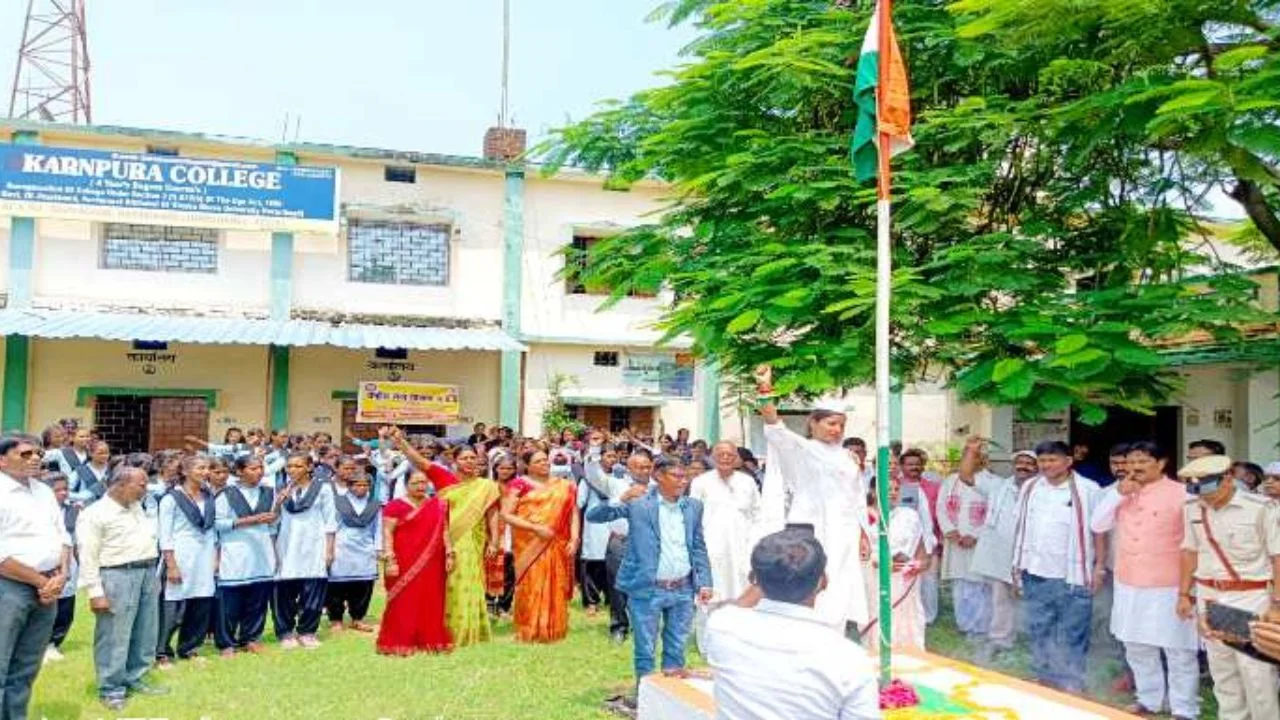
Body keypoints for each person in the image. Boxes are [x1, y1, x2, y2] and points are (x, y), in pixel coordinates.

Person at [705, 529, 879, 720]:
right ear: (824, 582)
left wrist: (764, 580)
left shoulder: (722, 627)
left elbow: (734, 607)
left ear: (755, 580)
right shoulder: (850, 659)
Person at [1090, 442, 1200, 719]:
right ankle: (1149, 700)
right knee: (1136, 645)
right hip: (1129, 582)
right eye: (1131, 461)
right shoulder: (1120, 492)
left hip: (1170, 584)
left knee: (1178, 649)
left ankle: (1184, 708)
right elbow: (1097, 525)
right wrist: (1118, 494)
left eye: (1142, 460)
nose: (1134, 467)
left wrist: (1189, 590)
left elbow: (1196, 542)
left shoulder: (1184, 494)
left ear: (1161, 464)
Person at [757, 366, 870, 631]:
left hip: (844, 534)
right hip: (814, 532)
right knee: (812, 586)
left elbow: (857, 500)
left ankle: (835, 640)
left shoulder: (848, 458)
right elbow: (775, 426)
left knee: (841, 589)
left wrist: (863, 533)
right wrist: (765, 389)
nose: (836, 430)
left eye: (841, 425)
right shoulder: (803, 450)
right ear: (813, 423)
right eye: (831, 424)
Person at [587, 457, 712, 689]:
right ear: (658, 477)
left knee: (676, 646)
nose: (683, 481)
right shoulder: (639, 504)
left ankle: (672, 696)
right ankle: (645, 696)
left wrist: (704, 582)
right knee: (645, 648)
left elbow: (698, 546)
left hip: (683, 589)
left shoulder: (693, 506)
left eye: (685, 477)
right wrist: (620, 498)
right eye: (676, 476)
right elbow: (594, 516)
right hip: (647, 589)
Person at [1177, 454, 1279, 720]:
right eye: (1197, 490)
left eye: (1209, 491)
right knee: (1223, 669)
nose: (1205, 498)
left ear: (1228, 479)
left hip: (1249, 595)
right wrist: (1184, 594)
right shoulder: (1192, 508)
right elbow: (1190, 551)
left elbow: (1277, 557)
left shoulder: (1261, 508)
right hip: (1210, 595)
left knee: (1256, 673)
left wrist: (1277, 604)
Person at [1010, 440, 1107, 693]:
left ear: (1068, 461)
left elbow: (1099, 531)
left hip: (1073, 575)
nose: (1046, 465)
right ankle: (1044, 678)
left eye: (1053, 459)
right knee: (1039, 628)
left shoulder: (1088, 490)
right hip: (1035, 572)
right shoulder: (1030, 487)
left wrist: (1099, 567)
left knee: (1072, 632)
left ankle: (1071, 681)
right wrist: (1018, 569)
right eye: (1042, 460)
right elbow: (1020, 527)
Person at [76, 465, 168, 712]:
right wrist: (95, 592)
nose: (145, 490)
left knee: (145, 630)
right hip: (117, 575)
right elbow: (87, 555)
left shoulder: (137, 507)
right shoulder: (96, 514)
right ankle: (111, 688)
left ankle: (134, 676)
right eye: (141, 485)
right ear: (120, 484)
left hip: (146, 572)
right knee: (114, 634)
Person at [0, 434, 70, 720]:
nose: (35, 459)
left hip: (49, 587)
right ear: (2, 459)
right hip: (10, 587)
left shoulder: (42, 491)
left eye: (37, 454)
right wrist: (42, 583)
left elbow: (61, 535)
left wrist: (61, 575)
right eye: (25, 454)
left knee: (28, 665)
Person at [960, 444, 1038, 655]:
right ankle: (1001, 639)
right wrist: (971, 450)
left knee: (1035, 599)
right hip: (1002, 554)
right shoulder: (998, 486)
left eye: (1030, 463)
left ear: (1038, 467)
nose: (1024, 466)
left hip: (1034, 555)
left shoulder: (1043, 490)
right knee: (1001, 598)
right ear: (1014, 465)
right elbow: (966, 476)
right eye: (1020, 462)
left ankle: (1037, 642)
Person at [501, 450, 580, 644]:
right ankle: (530, 628)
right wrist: (535, 528)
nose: (545, 463)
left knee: (555, 582)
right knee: (531, 584)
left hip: (557, 542)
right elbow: (507, 514)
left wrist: (575, 538)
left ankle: (553, 629)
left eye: (546, 459)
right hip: (530, 543)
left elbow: (573, 513)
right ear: (527, 465)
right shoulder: (519, 484)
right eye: (539, 461)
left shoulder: (564, 485)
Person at [688, 441, 759, 653]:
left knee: (741, 594)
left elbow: (757, 514)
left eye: (730, 454)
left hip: (741, 549)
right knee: (710, 596)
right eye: (721, 454)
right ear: (712, 456)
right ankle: (707, 645)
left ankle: (738, 644)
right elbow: (693, 516)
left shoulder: (747, 482)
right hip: (710, 549)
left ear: (737, 457)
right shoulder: (701, 482)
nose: (725, 458)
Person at [377, 469, 454, 656]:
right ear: (405, 484)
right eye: (415, 483)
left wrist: (450, 553)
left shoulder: (438, 504)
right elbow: (387, 532)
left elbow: (444, 530)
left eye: (424, 482)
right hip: (404, 559)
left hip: (433, 559)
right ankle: (401, 639)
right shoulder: (395, 506)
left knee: (432, 597)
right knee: (404, 598)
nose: (421, 486)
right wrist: (390, 557)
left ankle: (430, 638)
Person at [584, 441, 654, 643]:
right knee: (618, 586)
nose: (643, 471)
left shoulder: (659, 488)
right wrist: (622, 498)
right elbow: (593, 474)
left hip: (650, 543)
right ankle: (619, 626)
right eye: (639, 467)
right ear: (628, 468)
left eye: (647, 466)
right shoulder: (616, 484)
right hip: (621, 542)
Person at [156, 455, 218, 667]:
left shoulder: (208, 496)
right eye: (200, 468)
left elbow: (212, 530)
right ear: (185, 472)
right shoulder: (171, 499)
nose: (205, 472)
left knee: (200, 603)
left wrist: (215, 557)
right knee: (173, 607)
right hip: (181, 555)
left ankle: (190, 647)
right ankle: (162, 651)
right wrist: (171, 565)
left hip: (204, 555)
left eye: (207, 468)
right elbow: (165, 535)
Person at [437, 447, 501, 647]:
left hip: (473, 538)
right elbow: (441, 517)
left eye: (473, 458)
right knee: (449, 582)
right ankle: (446, 629)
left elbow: (492, 514)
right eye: (464, 458)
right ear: (454, 461)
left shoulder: (487, 486)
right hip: (449, 539)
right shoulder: (446, 486)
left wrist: (494, 540)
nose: (469, 462)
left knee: (471, 580)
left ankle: (468, 629)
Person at [214, 456, 277, 653]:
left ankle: (251, 638)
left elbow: (273, 526)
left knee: (258, 600)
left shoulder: (268, 492)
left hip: (262, 552)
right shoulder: (227, 494)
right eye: (252, 468)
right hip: (235, 552)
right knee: (230, 603)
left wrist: (275, 552)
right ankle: (227, 643)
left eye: (260, 468)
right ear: (239, 471)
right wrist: (250, 521)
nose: (258, 472)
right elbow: (217, 524)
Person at [274, 454, 337, 650]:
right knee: (284, 591)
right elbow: (272, 520)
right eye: (289, 466)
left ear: (309, 467)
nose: (292, 470)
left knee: (313, 590)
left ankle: (307, 631)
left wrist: (329, 549)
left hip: (314, 544)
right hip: (287, 544)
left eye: (298, 466)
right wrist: (277, 503)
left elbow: (330, 520)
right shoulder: (281, 490)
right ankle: (285, 631)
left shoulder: (323, 489)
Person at [860, 475, 929, 651]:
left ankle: (909, 656)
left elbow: (921, 548)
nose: (892, 493)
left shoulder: (909, 515)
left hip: (905, 578)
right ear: (874, 492)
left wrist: (920, 563)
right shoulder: (864, 516)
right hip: (876, 576)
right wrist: (879, 562)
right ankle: (878, 656)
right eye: (887, 489)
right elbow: (860, 551)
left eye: (896, 489)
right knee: (881, 616)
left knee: (908, 619)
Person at [937, 451, 992, 643]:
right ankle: (963, 624)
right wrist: (949, 530)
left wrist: (976, 536)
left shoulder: (991, 482)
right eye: (967, 457)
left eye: (977, 457)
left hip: (980, 544)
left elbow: (994, 514)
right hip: (955, 541)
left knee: (979, 584)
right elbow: (941, 507)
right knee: (959, 584)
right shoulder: (951, 480)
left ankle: (980, 626)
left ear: (984, 460)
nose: (971, 461)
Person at [325, 472, 381, 634]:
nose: (361, 488)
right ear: (349, 486)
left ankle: (358, 618)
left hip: (365, 549)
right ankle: (336, 619)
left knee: (363, 586)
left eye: (365, 485)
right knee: (336, 587)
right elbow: (331, 525)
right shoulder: (337, 502)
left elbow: (378, 529)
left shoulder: (374, 505)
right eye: (357, 484)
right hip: (341, 547)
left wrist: (378, 548)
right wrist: (329, 549)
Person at [43, 473, 78, 664]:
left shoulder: (73, 511)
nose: (63, 493)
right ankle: (40, 644)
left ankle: (54, 643)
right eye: (57, 490)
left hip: (69, 564)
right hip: (45, 564)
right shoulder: (38, 511)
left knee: (66, 607)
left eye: (65, 489)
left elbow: (75, 540)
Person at [577, 445, 614, 616]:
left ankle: (611, 598)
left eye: (614, 456)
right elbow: (579, 503)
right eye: (608, 456)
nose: (611, 459)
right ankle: (591, 601)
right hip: (594, 526)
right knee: (592, 562)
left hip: (614, 524)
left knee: (612, 562)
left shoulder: (619, 478)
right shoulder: (588, 481)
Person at [486, 454, 518, 617]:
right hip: (494, 529)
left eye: (510, 468)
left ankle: (505, 605)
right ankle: (490, 602)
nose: (506, 471)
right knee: (491, 567)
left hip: (513, 530)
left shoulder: (518, 487)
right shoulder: (489, 487)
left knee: (510, 569)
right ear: (495, 469)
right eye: (502, 468)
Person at [69, 440, 111, 506]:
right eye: (100, 453)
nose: (104, 456)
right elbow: (67, 491)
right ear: (90, 453)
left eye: (106, 453)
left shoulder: (113, 470)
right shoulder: (80, 471)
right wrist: (81, 497)